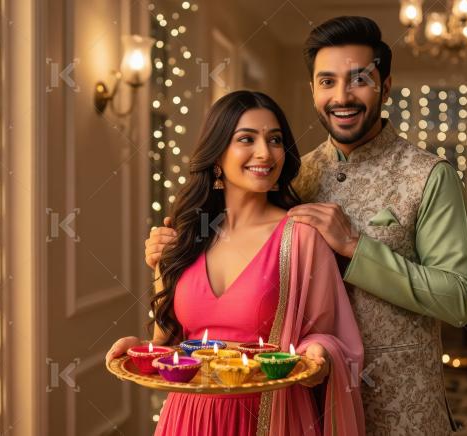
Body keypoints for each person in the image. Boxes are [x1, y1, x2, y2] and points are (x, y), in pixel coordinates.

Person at [146, 17, 467, 435]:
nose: (342, 96)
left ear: (386, 85)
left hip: (400, 404)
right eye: (327, 81)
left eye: (359, 79)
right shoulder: (295, 174)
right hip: (300, 403)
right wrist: (173, 254)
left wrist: (357, 248)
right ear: (313, 91)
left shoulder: (429, 175)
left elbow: (460, 299)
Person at [107, 90, 365, 436]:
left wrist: (319, 354)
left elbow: (328, 338)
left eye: (275, 140)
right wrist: (139, 350)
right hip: (188, 419)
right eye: (247, 139)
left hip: (270, 417)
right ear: (216, 157)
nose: (266, 152)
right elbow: (169, 346)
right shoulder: (183, 238)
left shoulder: (301, 236)